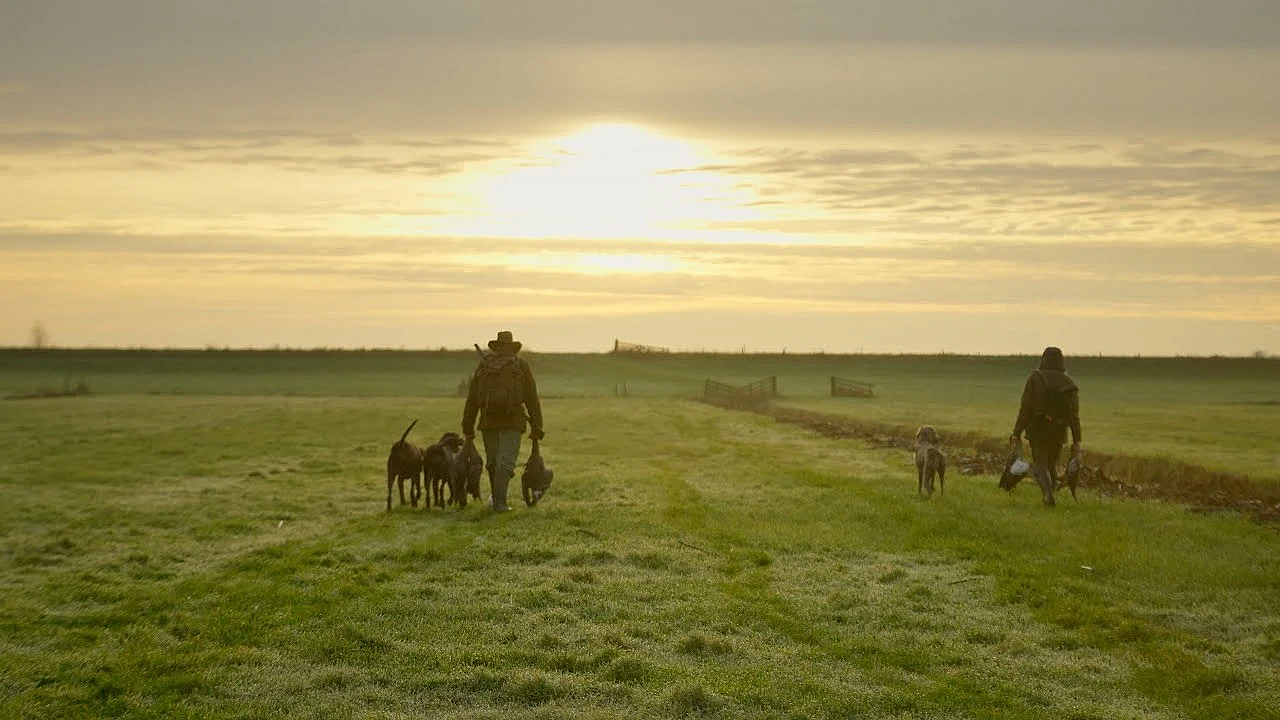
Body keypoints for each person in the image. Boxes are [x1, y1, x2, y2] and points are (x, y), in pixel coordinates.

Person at [461, 330, 544, 511]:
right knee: (505, 463)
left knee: (492, 462)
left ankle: (497, 500)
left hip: (488, 422)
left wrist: (467, 426)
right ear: (513, 347)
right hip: (512, 421)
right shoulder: (521, 365)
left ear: (496, 346)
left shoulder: (484, 366)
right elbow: (531, 397)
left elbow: (473, 399)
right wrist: (537, 425)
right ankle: (500, 503)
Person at [1008, 346, 1082, 507]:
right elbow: (1074, 416)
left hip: (1039, 427)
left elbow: (1026, 407)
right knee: (1051, 463)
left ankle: (1048, 496)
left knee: (1040, 463)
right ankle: (1051, 492)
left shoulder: (1036, 378)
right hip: (1060, 429)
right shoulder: (1069, 382)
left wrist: (1016, 432)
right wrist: (1077, 440)